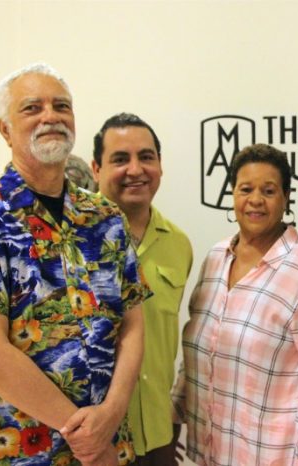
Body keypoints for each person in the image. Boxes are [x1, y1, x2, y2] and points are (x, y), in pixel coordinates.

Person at [0, 63, 150, 465]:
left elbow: (133, 321)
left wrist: (110, 415)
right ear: (5, 129)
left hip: (110, 447)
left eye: (61, 106)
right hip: (23, 451)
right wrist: (84, 435)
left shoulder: (106, 218)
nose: (50, 116)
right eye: (32, 108)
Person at [171, 143, 298, 465]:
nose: (255, 200)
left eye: (269, 191)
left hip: (280, 457)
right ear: (233, 195)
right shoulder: (215, 258)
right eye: (246, 189)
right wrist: (175, 411)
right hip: (217, 452)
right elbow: (200, 345)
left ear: (286, 199)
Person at [92, 113, 193, 466]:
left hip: (158, 436)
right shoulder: (73, 242)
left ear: (160, 166)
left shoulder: (179, 244)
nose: (135, 169)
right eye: (120, 159)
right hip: (94, 442)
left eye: (146, 157)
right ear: (96, 168)